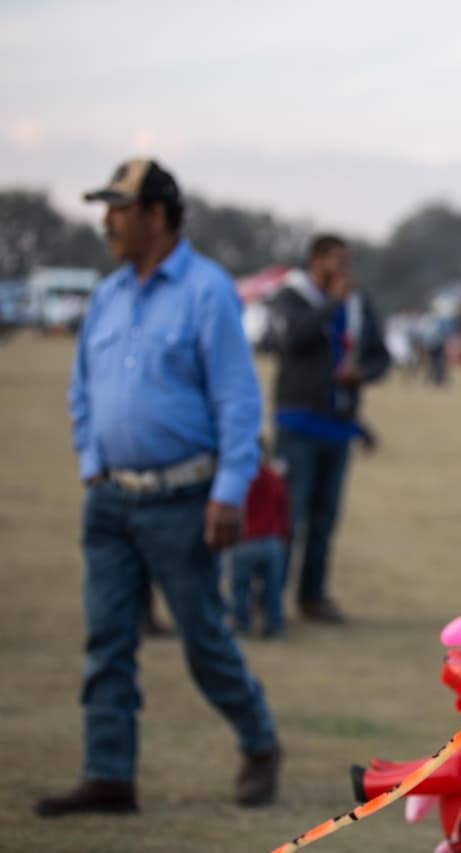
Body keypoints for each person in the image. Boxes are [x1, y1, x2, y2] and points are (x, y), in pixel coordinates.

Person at [39, 159, 281, 817]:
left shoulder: (207, 290)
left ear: (157, 215)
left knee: (204, 639)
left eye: (119, 207)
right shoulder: (110, 293)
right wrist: (91, 457)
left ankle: (260, 740)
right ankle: (109, 773)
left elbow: (236, 397)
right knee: (107, 640)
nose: (107, 220)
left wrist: (230, 491)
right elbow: (83, 386)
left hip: (184, 500)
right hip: (111, 498)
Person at [269, 235, 389, 623]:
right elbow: (290, 339)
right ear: (315, 260)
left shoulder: (358, 302)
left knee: (324, 519)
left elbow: (380, 356)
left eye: (347, 261)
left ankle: (312, 597)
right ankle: (269, 598)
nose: (344, 268)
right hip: (298, 423)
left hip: (338, 428)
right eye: (336, 260)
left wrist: (363, 374)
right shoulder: (292, 296)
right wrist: (333, 301)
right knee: (289, 516)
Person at [229, 446, 291, 636]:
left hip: (244, 540)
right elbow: (284, 509)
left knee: (241, 587)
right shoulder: (274, 478)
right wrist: (286, 535)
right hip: (272, 542)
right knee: (273, 588)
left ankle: (242, 623)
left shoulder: (236, 480)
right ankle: (274, 624)